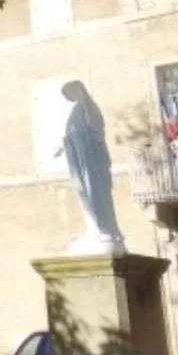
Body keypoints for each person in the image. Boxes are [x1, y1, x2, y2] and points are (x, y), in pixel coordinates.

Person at [57, 81, 125, 255]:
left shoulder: (88, 108)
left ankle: (103, 229)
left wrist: (77, 139)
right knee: (85, 193)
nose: (70, 98)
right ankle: (95, 228)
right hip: (79, 158)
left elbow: (95, 133)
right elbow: (74, 133)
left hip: (90, 159)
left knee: (94, 192)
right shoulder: (79, 109)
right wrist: (65, 145)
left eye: (70, 94)